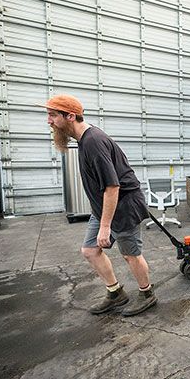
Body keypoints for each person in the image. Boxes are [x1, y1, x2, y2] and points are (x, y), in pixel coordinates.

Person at [42, 94, 157, 316]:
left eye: (53, 115)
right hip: (104, 208)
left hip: (123, 207)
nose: (49, 121)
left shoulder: (93, 141)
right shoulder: (83, 140)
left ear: (70, 116)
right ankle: (116, 293)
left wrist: (105, 227)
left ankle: (147, 294)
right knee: (90, 250)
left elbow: (113, 186)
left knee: (130, 254)